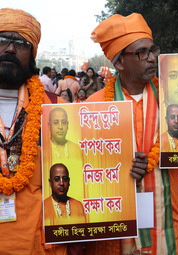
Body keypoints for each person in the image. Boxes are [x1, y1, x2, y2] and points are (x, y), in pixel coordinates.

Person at [87, 13, 178, 254]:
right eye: (142, 53)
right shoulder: (93, 106)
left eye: (153, 50)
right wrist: (122, 166)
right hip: (114, 229)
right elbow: (83, 166)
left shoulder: (174, 99)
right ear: (120, 62)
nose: (153, 58)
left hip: (167, 224)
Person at [0, 8, 66, 254]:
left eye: (21, 43)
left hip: (39, 244)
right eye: (2, 39)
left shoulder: (57, 109)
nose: (10, 49)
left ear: (32, 54)